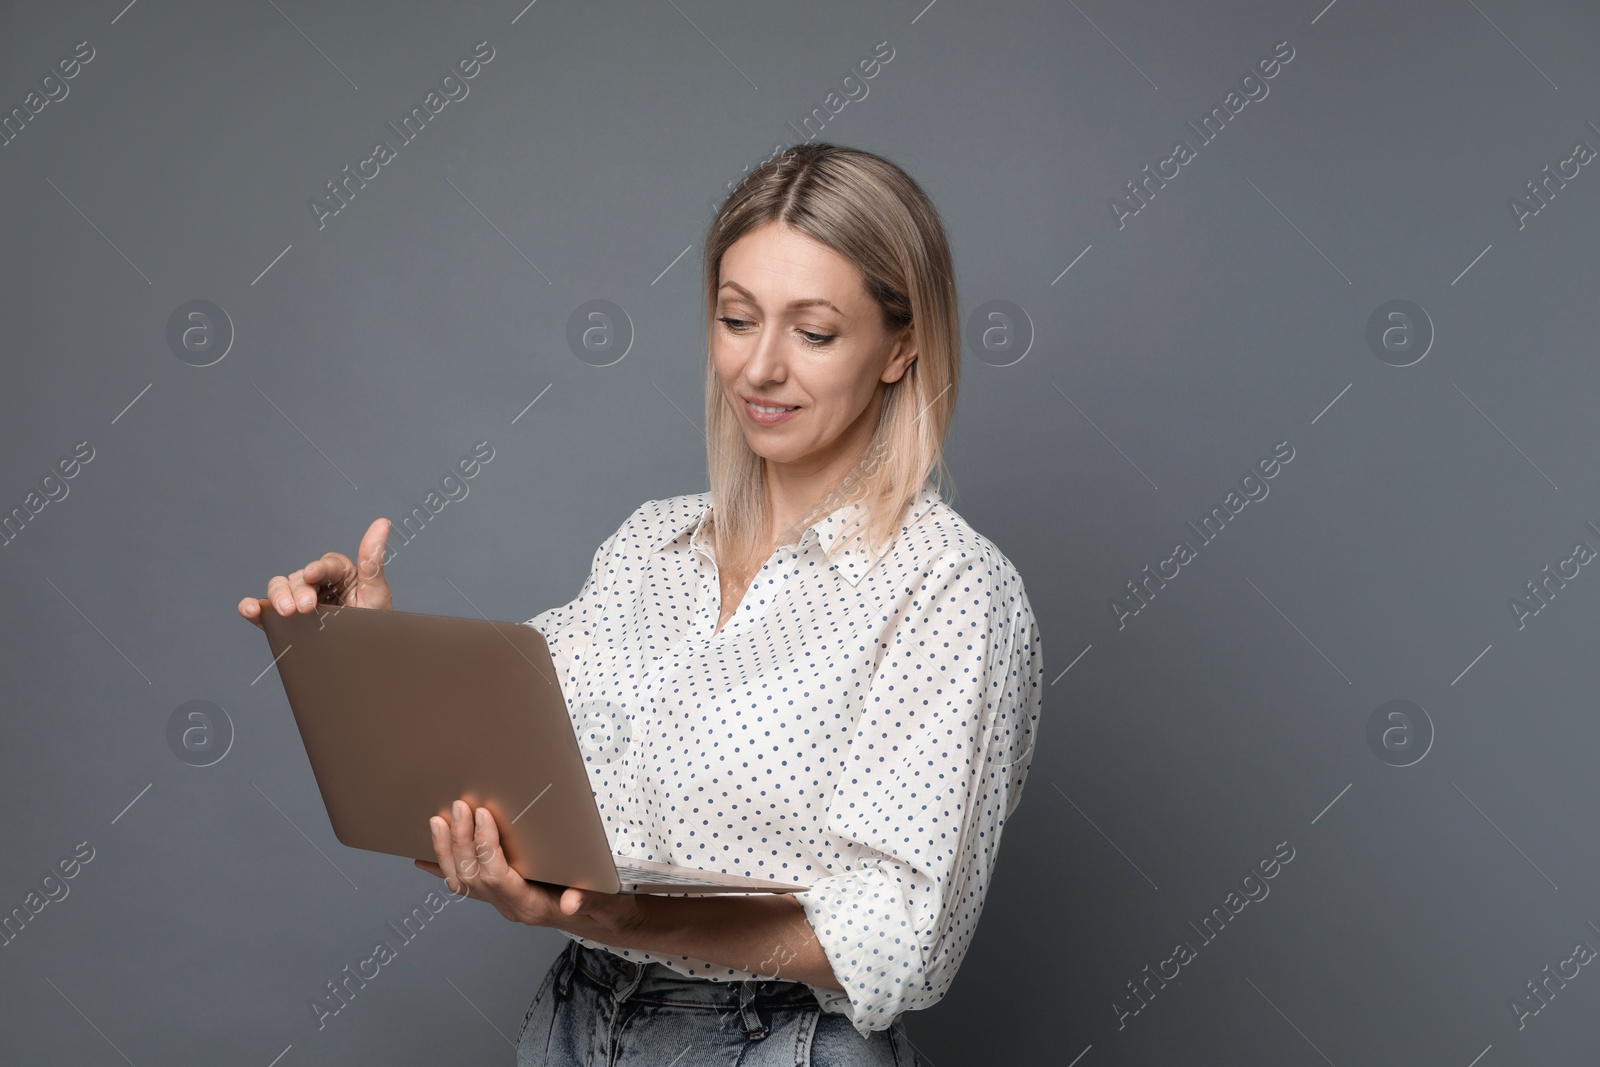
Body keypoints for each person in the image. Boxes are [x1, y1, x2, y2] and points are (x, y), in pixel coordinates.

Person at [238, 142, 1042, 1066]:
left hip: (781, 1042)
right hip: (576, 1022)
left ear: (902, 346)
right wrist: (370, 643)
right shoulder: (647, 549)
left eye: (813, 333)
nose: (761, 368)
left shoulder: (950, 588)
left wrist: (627, 915)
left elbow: (903, 942)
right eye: (737, 319)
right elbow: (517, 744)